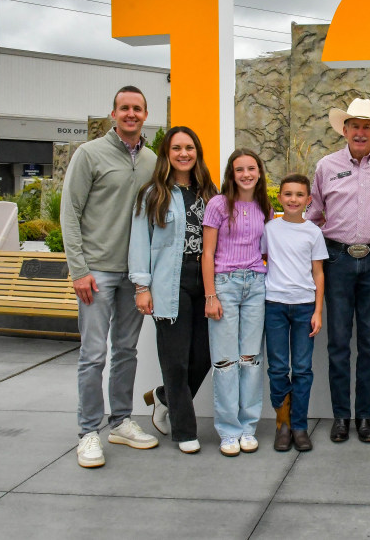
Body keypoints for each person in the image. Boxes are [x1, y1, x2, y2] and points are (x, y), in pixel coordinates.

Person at [62, 85, 159, 468]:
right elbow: (70, 213)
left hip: (134, 274)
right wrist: (79, 269)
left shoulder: (152, 161)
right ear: (114, 113)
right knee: (93, 355)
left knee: (125, 351)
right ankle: (88, 432)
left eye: (137, 108)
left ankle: (120, 422)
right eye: (124, 108)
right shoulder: (89, 154)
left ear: (145, 114)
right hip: (97, 272)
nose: (131, 114)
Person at [307, 98, 370, 444]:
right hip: (337, 261)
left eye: (367, 127)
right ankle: (341, 417)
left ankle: (364, 416)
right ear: (344, 130)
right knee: (338, 342)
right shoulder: (326, 166)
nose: (360, 132)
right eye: (355, 126)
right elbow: (313, 215)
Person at [129, 126, 218, 454]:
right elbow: (140, 241)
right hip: (169, 282)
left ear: (197, 153)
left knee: (205, 356)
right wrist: (142, 286)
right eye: (177, 148)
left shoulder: (209, 192)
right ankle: (184, 431)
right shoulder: (153, 194)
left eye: (189, 148)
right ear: (167, 153)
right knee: (176, 361)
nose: (184, 154)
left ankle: (164, 397)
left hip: (205, 281)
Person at [203, 148, 273, 456]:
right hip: (225, 285)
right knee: (225, 361)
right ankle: (228, 431)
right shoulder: (218, 205)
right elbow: (207, 253)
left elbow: (267, 249)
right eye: (239, 169)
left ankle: (248, 427)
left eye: (251, 168)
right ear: (231, 174)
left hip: (256, 284)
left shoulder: (264, 206)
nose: (246, 174)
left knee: (251, 359)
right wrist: (211, 295)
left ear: (259, 172)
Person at [263, 174, 328, 452]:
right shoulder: (270, 229)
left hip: (304, 307)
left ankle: (299, 426)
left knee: (302, 368)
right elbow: (263, 259)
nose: (293, 199)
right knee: (278, 367)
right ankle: (283, 424)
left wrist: (318, 310)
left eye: (299, 195)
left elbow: (318, 273)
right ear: (279, 197)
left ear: (308, 199)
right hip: (274, 305)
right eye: (288, 194)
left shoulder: (313, 232)